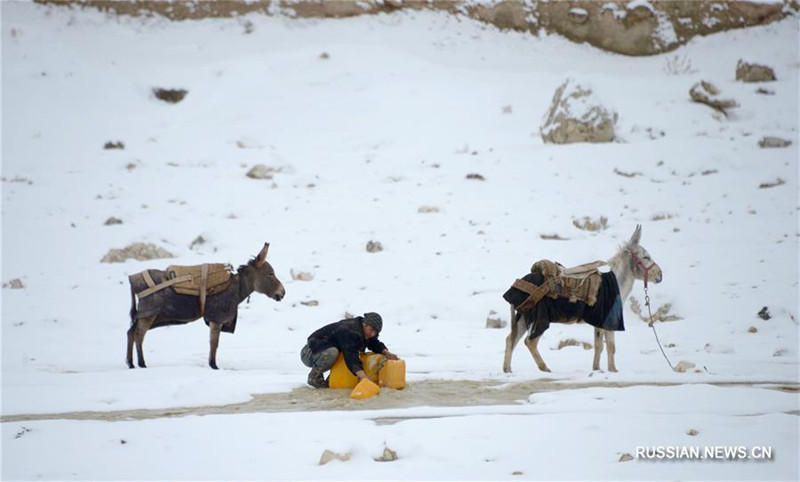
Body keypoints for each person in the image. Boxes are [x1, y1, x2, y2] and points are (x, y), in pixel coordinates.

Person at [300, 312, 398, 388]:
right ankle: (314, 377)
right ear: (364, 324)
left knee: (341, 353)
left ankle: (332, 379)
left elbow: (374, 343)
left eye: (375, 332)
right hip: (309, 352)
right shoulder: (349, 331)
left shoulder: (365, 332)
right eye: (371, 330)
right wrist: (363, 377)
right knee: (334, 353)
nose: (372, 334)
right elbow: (351, 355)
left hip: (325, 350)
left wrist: (386, 352)